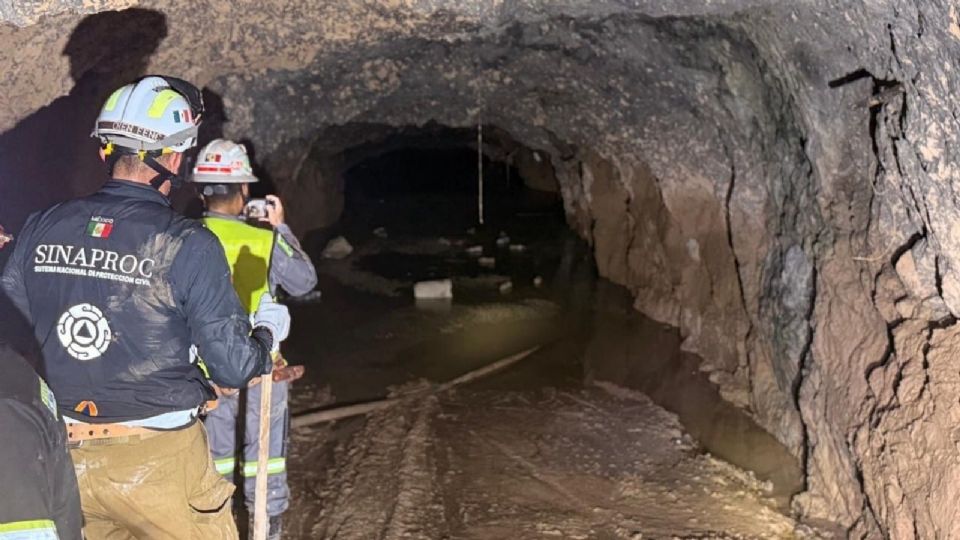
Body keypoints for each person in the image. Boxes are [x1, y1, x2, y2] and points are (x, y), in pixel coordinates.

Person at [0, 76, 290, 539]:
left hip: (64, 457)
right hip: (160, 461)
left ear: (104, 151)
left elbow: (11, 328)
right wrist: (268, 334)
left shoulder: (43, 226)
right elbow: (234, 367)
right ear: (174, 159)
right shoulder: (188, 244)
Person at [190, 138, 317, 540]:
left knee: (215, 458)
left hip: (205, 374)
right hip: (262, 368)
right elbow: (304, 281)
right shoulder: (264, 238)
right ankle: (266, 529)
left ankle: (217, 526)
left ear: (200, 190)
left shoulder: (184, 237)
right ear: (244, 190)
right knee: (266, 459)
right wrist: (280, 227)